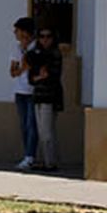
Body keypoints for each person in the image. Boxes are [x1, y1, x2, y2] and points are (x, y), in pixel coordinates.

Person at [27, 29, 64, 172]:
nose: (45, 39)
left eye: (48, 36)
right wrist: (39, 75)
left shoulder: (55, 54)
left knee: (48, 132)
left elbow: (51, 74)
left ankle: (51, 162)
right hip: (38, 96)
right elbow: (32, 77)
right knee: (42, 132)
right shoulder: (36, 53)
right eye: (42, 37)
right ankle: (45, 160)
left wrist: (40, 74)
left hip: (50, 97)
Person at [11, 17, 39, 170]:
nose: (15, 34)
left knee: (31, 124)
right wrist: (23, 67)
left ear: (25, 32)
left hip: (32, 91)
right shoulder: (17, 48)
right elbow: (13, 72)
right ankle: (27, 154)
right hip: (19, 91)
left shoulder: (36, 47)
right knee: (24, 125)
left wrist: (24, 66)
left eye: (17, 31)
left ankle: (30, 156)